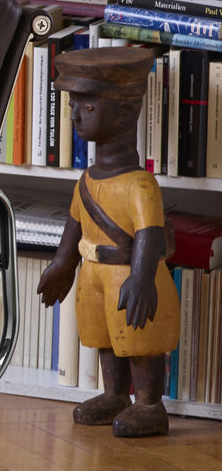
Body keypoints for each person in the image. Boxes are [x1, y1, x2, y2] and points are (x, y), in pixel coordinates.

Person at [37, 47, 177, 437]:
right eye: (73, 105)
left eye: (88, 107)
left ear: (125, 113)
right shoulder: (86, 180)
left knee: (139, 338)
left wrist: (142, 277)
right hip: (94, 273)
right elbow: (74, 225)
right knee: (104, 337)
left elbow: (149, 231)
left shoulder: (140, 183)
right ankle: (115, 394)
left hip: (127, 273)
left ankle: (149, 404)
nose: (75, 115)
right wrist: (62, 264)